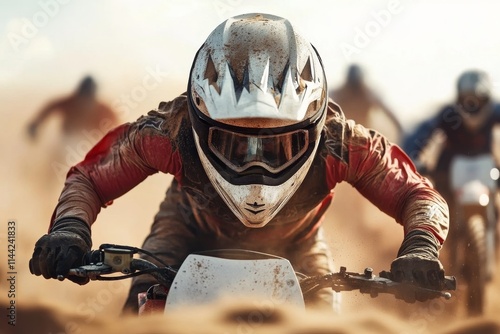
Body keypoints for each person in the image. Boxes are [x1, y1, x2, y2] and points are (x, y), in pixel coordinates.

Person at [29, 13, 449, 313]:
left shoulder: (341, 141)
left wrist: (421, 245)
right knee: (137, 313)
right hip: (186, 228)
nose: (255, 169)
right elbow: (89, 180)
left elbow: (418, 194)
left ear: (315, 126)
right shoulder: (169, 130)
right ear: (197, 118)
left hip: (296, 245)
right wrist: (69, 230)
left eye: (279, 145)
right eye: (232, 140)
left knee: (322, 323)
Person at [403, 69, 500, 279]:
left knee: (497, 211)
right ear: (458, 98)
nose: (471, 104)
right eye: (466, 99)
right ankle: (436, 258)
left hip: (486, 170)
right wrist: (412, 157)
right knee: (440, 213)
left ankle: (492, 248)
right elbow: (423, 132)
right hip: (448, 171)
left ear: (485, 99)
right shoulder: (449, 114)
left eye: (476, 100)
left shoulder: (495, 112)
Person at [27, 75, 119, 141]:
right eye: (83, 95)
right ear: (78, 93)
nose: (84, 101)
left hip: (92, 145)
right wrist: (35, 124)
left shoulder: (103, 109)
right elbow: (49, 108)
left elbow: (116, 124)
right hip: (65, 142)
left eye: (88, 96)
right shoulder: (69, 102)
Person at [329, 64, 403, 143]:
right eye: (352, 87)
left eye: (357, 87)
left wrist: (401, 131)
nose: (355, 92)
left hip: (364, 140)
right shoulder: (338, 95)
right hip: (341, 139)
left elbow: (390, 114)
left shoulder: (370, 94)